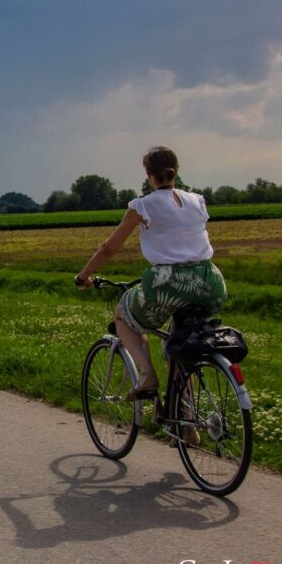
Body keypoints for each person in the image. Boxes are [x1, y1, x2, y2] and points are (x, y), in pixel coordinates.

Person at [76, 147, 227, 404]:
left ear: (149, 175)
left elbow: (110, 248)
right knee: (181, 346)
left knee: (123, 315)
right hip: (210, 281)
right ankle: (187, 421)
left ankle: (146, 376)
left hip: (169, 283)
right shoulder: (197, 201)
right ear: (176, 171)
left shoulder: (142, 206)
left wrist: (84, 275)